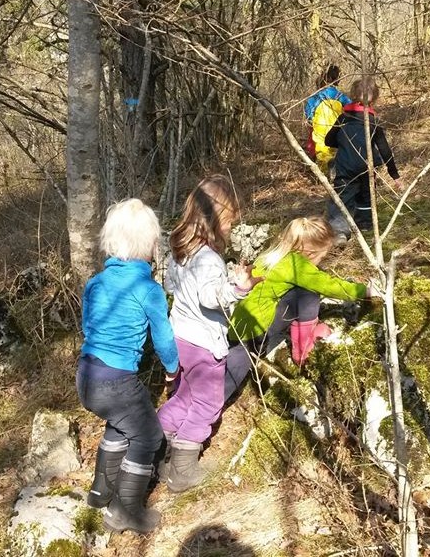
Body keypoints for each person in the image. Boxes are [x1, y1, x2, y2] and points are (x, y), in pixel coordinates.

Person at [75, 198, 179, 535]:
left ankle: (100, 492)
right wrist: (172, 368)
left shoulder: (95, 283)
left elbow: (89, 326)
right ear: (149, 244)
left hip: (87, 375)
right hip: (117, 380)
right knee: (148, 435)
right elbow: (163, 339)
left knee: (121, 426)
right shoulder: (149, 289)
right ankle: (124, 512)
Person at [157, 174, 261, 493]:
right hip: (203, 344)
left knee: (183, 396)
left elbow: (172, 287)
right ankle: (183, 470)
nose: (230, 229)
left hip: (180, 338)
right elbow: (210, 297)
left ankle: (157, 452)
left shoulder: (180, 250)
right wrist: (238, 287)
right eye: (229, 222)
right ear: (216, 221)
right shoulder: (210, 259)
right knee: (206, 403)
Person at [224, 216, 374, 402]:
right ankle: (303, 350)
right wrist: (365, 291)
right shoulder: (297, 266)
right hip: (255, 330)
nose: (322, 260)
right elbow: (328, 285)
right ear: (311, 252)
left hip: (240, 320)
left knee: (302, 291)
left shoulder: (275, 255)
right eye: (323, 255)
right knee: (232, 372)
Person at [325, 76, 404, 244]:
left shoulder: (343, 119)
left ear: (352, 96)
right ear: (374, 98)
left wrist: (343, 141)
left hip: (345, 165)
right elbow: (384, 150)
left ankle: (340, 232)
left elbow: (328, 141)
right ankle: (365, 224)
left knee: (343, 196)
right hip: (367, 166)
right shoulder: (374, 122)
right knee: (367, 194)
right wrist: (395, 176)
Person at [304, 64, 352, 173]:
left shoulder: (316, 97)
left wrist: (311, 121)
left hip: (320, 126)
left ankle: (324, 175)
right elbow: (351, 108)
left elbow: (309, 115)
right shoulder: (340, 96)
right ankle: (335, 170)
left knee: (321, 149)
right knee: (336, 148)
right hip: (337, 126)